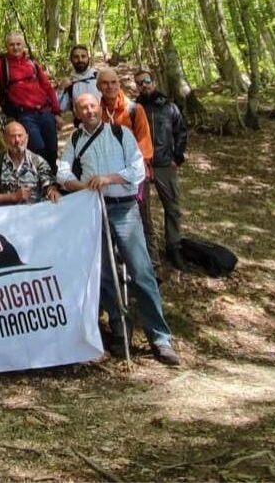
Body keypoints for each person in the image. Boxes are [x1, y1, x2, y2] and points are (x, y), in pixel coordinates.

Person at [57, 93, 180, 366]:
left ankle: (160, 338)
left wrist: (109, 178)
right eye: (83, 108)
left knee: (141, 272)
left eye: (92, 106)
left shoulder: (120, 133)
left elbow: (137, 170)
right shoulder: (75, 141)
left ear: (100, 108)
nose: (89, 111)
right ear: (76, 112)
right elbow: (63, 174)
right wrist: (84, 185)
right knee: (105, 275)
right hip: (92, 211)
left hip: (124, 209)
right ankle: (120, 329)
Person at [0, 33, 61, 170]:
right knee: (38, 149)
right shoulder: (2, 63)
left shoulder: (32, 63)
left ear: (23, 45)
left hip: (45, 112)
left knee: (52, 150)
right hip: (25, 115)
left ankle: (54, 183)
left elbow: (47, 87)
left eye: (18, 44)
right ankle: (42, 184)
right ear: (6, 46)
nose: (15, 47)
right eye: (11, 44)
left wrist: (56, 112)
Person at [135, 70, 189, 269]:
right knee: (142, 210)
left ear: (153, 82)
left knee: (172, 207)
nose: (144, 85)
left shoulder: (168, 106)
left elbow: (181, 131)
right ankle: (148, 251)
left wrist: (178, 156)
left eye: (146, 81)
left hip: (165, 163)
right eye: (139, 83)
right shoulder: (134, 108)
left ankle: (174, 246)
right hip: (142, 165)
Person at [97, 69, 155, 243]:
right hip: (109, 176)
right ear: (98, 86)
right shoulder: (96, 112)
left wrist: (139, 173)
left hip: (134, 174)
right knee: (114, 218)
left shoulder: (134, 109)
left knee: (143, 217)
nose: (110, 87)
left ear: (119, 84)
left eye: (113, 82)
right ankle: (120, 260)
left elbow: (144, 143)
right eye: (105, 83)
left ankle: (152, 262)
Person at [0, 121, 62, 206]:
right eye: (13, 136)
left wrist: (52, 191)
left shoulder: (37, 161)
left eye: (20, 135)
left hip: (34, 214)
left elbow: (49, 185)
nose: (17, 140)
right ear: (5, 139)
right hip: (7, 215)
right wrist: (12, 197)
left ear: (27, 138)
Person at [58, 45, 100, 117]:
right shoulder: (69, 83)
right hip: (81, 124)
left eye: (83, 56)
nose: (80, 60)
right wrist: (61, 89)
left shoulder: (99, 77)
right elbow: (61, 107)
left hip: (103, 121)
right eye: (76, 57)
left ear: (88, 58)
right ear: (71, 60)